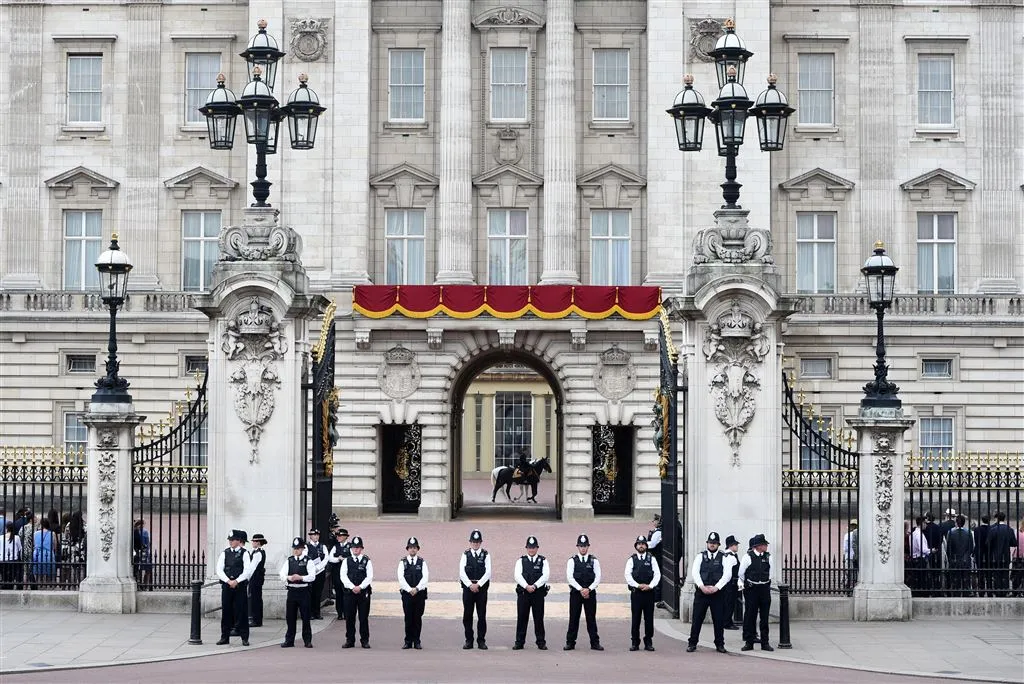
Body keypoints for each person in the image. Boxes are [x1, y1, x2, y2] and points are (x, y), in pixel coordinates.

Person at [686, 531, 734, 654]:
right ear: (707, 543)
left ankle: (719, 644)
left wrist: (717, 587)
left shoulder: (724, 557)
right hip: (702, 593)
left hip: (717, 593)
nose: (712, 545)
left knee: (718, 620)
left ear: (718, 544)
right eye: (710, 543)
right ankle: (692, 643)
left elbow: (727, 574)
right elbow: (695, 572)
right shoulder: (700, 556)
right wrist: (701, 586)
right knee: (697, 619)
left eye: (714, 543)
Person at [564, 533, 603, 651]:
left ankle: (594, 643)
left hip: (590, 593)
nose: (583, 548)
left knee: (591, 618)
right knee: (574, 618)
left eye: (585, 546)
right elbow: (570, 577)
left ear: (588, 546)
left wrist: (589, 589)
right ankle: (570, 642)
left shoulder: (594, 560)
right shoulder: (572, 561)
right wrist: (581, 589)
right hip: (576, 593)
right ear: (577, 547)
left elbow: (598, 577)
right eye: (581, 546)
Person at [216, 529, 253, 646]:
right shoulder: (225, 553)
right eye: (230, 540)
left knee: (241, 611)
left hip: (239, 586)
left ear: (239, 541)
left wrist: (237, 580)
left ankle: (244, 637)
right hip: (227, 586)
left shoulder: (245, 553)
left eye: (233, 540)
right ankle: (224, 637)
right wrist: (228, 581)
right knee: (226, 611)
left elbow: (247, 570)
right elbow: (219, 569)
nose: (231, 542)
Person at [738, 533, 774, 652]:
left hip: (764, 588)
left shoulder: (768, 557)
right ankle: (749, 642)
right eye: (764, 545)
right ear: (757, 546)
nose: (766, 546)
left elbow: (771, 573)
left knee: (764, 617)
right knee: (750, 616)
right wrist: (747, 584)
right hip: (752, 589)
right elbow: (741, 573)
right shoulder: (747, 557)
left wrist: (766, 582)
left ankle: (765, 642)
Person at [513, 535, 549, 651]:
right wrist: (526, 586)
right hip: (524, 593)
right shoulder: (520, 561)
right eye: (529, 547)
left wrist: (534, 586)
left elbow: (545, 575)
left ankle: (541, 642)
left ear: (537, 548)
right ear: (526, 548)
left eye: (533, 547)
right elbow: (517, 576)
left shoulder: (543, 560)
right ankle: (519, 642)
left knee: (538, 618)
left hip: (538, 593)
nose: (531, 549)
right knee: (522, 618)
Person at [625, 534, 660, 652]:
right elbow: (627, 575)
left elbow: (657, 574)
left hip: (649, 593)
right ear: (636, 546)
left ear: (646, 546)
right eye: (639, 544)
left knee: (649, 619)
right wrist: (638, 585)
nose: (641, 546)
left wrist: (650, 586)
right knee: (636, 618)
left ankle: (648, 641)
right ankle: (635, 642)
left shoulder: (652, 559)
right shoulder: (632, 559)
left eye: (643, 544)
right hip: (636, 593)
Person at [280, 536, 316, 648]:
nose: (296, 550)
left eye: (298, 548)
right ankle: (289, 640)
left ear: (302, 549)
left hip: (303, 591)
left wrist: (301, 577)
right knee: (290, 617)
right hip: (292, 591)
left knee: (305, 617)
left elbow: (312, 576)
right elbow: (282, 574)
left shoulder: (308, 561)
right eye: (294, 548)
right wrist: (290, 578)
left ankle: (307, 640)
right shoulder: (289, 560)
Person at [459, 529, 491, 650]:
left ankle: (481, 641)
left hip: (481, 589)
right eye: (473, 541)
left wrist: (478, 584)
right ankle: (469, 640)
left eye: (477, 542)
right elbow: (462, 572)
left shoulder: (486, 554)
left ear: (481, 542)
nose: (475, 544)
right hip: (468, 588)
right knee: (467, 615)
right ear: (470, 542)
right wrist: (470, 585)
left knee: (481, 616)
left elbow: (488, 572)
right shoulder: (465, 554)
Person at [340, 535, 373, 649]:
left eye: (358, 547)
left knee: (363, 617)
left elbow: (369, 577)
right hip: (350, 593)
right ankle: (350, 640)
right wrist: (352, 587)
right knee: (349, 617)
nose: (356, 549)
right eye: (354, 547)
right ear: (351, 548)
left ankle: (364, 640)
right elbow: (343, 576)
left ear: (361, 548)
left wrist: (360, 587)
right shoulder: (346, 561)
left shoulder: (366, 560)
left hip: (363, 593)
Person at [398, 536, 429, 650]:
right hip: (407, 594)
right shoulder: (403, 562)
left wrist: (416, 588)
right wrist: (409, 589)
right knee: (408, 618)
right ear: (407, 549)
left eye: (414, 548)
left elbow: (425, 578)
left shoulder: (422, 562)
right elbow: (401, 578)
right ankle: (408, 641)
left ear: (417, 549)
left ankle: (417, 641)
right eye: (410, 547)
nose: (412, 550)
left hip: (419, 594)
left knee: (417, 618)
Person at [988, 511, 1019, 593]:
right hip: (1006, 555)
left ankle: (997, 590)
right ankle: (1005, 590)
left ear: (997, 518)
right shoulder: (1010, 529)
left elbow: (988, 543)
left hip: (995, 555)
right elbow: (1014, 543)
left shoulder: (993, 529)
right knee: (1005, 574)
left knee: (996, 574)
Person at [327, 528, 352, 621]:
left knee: (347, 594)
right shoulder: (335, 547)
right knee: (339, 594)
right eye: (337, 536)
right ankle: (339, 613)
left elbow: (353, 558)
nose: (338, 537)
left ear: (345, 537)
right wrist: (338, 559)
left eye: (340, 536)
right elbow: (330, 558)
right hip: (337, 573)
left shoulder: (350, 546)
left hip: (347, 574)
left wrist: (344, 559)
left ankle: (347, 612)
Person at [944, 514, 973, 594]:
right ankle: (966, 593)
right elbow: (971, 547)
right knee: (965, 579)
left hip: (954, 559)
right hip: (965, 559)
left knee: (955, 579)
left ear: (956, 523)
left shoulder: (951, 532)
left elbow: (948, 548)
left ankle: (956, 593)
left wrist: (950, 558)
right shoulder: (968, 532)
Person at [305, 529, 328, 619]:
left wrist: (318, 568)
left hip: (320, 572)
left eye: (317, 535)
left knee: (318, 593)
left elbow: (326, 558)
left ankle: (317, 613)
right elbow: (306, 558)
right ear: (310, 536)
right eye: (314, 535)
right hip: (310, 573)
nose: (316, 536)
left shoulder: (323, 546)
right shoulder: (306, 547)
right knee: (310, 593)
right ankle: (310, 613)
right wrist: (312, 569)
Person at [721, 535, 742, 630]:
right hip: (730, 584)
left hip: (731, 584)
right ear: (731, 545)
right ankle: (727, 622)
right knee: (729, 603)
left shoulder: (731, 555)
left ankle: (728, 621)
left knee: (730, 603)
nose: (737, 546)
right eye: (735, 545)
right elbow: (728, 572)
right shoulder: (729, 557)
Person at [248, 533, 267, 627]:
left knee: (255, 598)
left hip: (256, 578)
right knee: (256, 598)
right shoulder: (257, 552)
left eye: (254, 541)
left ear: (258, 542)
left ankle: (256, 619)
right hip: (257, 578)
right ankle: (256, 619)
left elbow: (252, 567)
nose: (252, 543)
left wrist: (247, 578)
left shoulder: (258, 553)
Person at [31, 518, 56, 588]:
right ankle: (49, 586)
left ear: (41, 524)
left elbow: (34, 544)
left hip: (37, 554)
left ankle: (39, 585)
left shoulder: (35, 533)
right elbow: (55, 546)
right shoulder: (52, 533)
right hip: (48, 554)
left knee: (38, 573)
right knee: (49, 572)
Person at [909, 516, 930, 594]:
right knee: (921, 580)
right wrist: (931, 550)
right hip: (920, 559)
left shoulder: (913, 533)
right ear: (922, 523)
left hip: (914, 558)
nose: (926, 525)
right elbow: (923, 549)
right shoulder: (919, 534)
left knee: (916, 579)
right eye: (925, 523)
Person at [1, 521, 22, 590]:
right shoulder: (16, 538)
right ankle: (10, 587)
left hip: (2, 559)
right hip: (13, 560)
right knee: (11, 577)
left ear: (6, 528)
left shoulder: (1, 537)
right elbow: (20, 549)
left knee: (4, 576)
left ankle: (5, 587)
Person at [132, 519, 153, 590]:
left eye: (142, 523)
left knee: (147, 570)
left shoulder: (145, 531)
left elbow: (148, 543)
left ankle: (145, 585)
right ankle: (141, 585)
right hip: (138, 552)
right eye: (139, 524)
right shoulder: (135, 531)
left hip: (144, 552)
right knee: (139, 570)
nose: (141, 525)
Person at [974, 514, 991, 596]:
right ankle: (989, 590)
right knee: (989, 573)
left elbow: (976, 542)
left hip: (979, 552)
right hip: (988, 553)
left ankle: (981, 591)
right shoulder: (992, 529)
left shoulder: (977, 529)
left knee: (980, 572)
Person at [842, 519, 859, 590]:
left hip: (849, 556)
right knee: (855, 572)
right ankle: (854, 585)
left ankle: (848, 586)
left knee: (848, 572)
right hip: (856, 556)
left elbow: (845, 548)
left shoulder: (847, 535)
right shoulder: (859, 534)